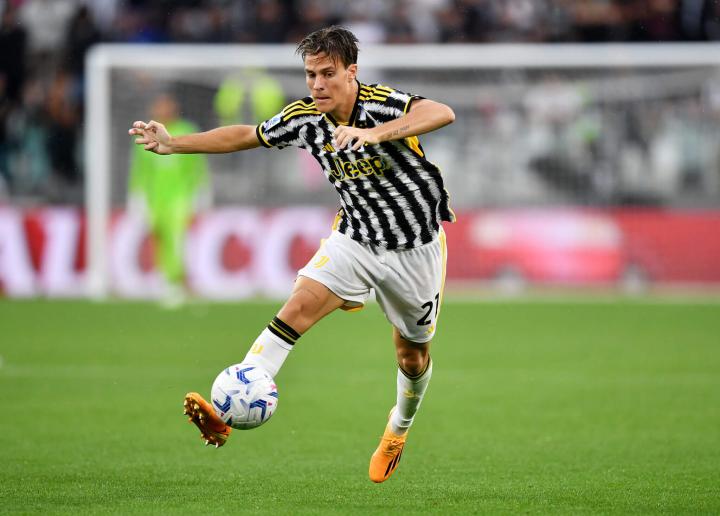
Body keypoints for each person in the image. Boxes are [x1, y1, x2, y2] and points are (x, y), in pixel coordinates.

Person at [128, 26, 455, 483]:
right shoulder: (305, 119)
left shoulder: (380, 103)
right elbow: (246, 135)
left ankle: (398, 428)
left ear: (352, 72)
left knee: (412, 356)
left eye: (327, 74)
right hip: (355, 239)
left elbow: (441, 112)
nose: (317, 84)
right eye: (310, 75)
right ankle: (230, 406)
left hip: (415, 248)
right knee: (298, 305)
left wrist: (373, 134)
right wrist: (174, 144)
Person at [129, 93, 210, 305]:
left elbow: (197, 164)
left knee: (177, 239)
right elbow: (140, 169)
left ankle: (176, 282)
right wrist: (136, 195)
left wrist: (201, 191)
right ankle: (167, 280)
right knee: (160, 240)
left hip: (180, 197)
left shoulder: (186, 130)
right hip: (155, 198)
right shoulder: (147, 133)